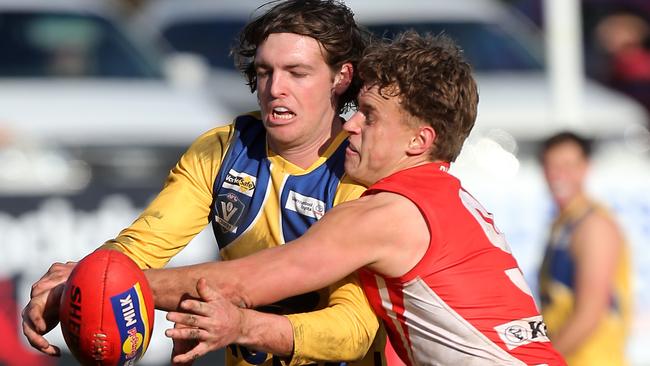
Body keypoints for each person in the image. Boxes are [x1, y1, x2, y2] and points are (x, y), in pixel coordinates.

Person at [145, 31, 567, 366]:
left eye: (371, 115)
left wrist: (103, 280)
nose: (352, 125)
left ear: (419, 141)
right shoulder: (445, 197)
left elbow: (244, 282)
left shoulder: (386, 214)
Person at [21, 1, 387, 365]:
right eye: (264, 71)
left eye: (297, 72)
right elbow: (141, 245)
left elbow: (353, 329)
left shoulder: (361, 172)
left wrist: (245, 326)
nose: (275, 88)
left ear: (341, 77)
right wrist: (83, 283)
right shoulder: (223, 149)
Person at [537, 131, 632, 365]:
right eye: (552, 165)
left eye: (569, 165)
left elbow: (589, 315)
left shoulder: (593, 226)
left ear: (586, 168)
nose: (559, 175)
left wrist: (542, 361)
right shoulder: (563, 225)